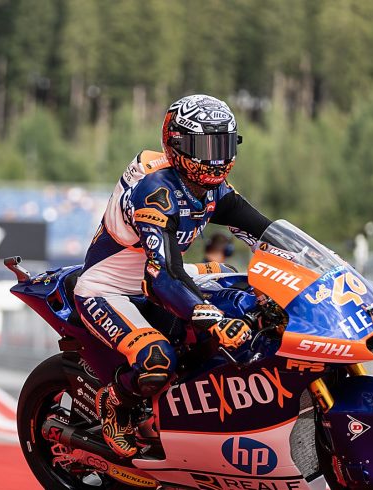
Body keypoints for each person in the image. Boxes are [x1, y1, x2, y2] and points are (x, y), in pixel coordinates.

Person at [73, 94, 272, 457]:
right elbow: (163, 275)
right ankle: (115, 402)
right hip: (111, 289)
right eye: (207, 146)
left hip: (156, 280)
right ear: (178, 144)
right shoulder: (155, 192)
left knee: (240, 285)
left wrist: (321, 265)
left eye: (224, 144)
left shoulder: (214, 189)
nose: (217, 157)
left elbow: (266, 233)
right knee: (157, 361)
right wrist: (214, 321)